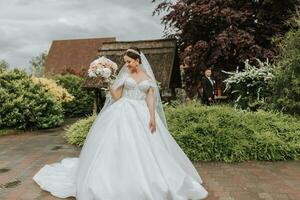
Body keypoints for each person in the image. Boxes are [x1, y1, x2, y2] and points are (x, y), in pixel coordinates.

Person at [32, 47, 209, 200]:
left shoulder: (147, 77)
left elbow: (150, 98)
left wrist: (152, 118)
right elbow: (117, 98)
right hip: (123, 111)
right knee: (118, 145)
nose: (127, 65)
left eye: (129, 61)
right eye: (125, 62)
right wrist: (108, 81)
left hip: (141, 113)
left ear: (138, 60)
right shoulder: (125, 76)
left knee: (149, 149)